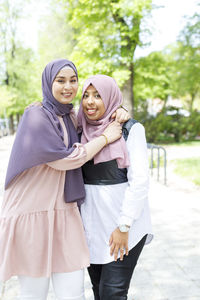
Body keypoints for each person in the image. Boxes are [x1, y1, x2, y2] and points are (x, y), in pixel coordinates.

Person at [0, 60, 127, 300]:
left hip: (65, 213)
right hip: (32, 215)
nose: (68, 87)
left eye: (72, 80)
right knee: (33, 295)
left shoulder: (69, 115)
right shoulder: (36, 115)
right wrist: (105, 139)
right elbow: (65, 159)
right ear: (49, 82)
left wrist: (120, 111)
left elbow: (96, 116)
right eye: (60, 80)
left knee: (73, 294)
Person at [78, 75, 153, 300]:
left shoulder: (130, 129)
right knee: (99, 291)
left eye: (98, 95)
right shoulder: (79, 127)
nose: (90, 101)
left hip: (122, 228)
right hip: (91, 229)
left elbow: (140, 182)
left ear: (110, 98)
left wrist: (123, 226)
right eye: (86, 95)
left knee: (113, 293)